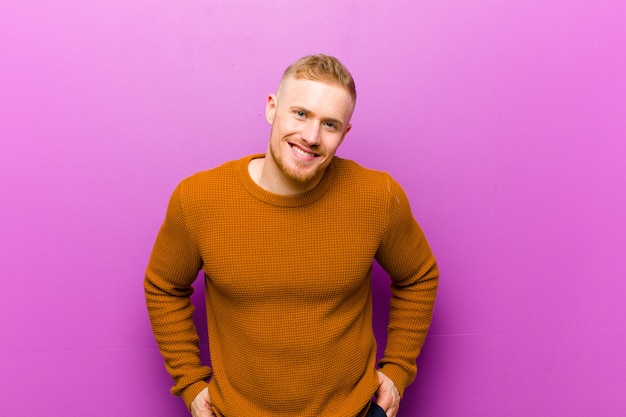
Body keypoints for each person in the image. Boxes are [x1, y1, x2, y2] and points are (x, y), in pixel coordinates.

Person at [144, 54, 439, 417]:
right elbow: (163, 285)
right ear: (272, 108)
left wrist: (398, 369)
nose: (311, 137)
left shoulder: (377, 196)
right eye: (300, 113)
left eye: (329, 124)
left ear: (344, 134)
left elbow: (419, 276)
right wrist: (189, 381)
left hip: (354, 410)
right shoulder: (199, 199)